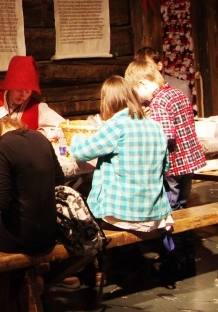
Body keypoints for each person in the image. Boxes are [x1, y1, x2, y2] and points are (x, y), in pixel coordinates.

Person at [127, 59, 205, 278]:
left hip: (173, 165)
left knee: (170, 213)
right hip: (189, 162)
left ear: (143, 83)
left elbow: (166, 137)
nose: (139, 98)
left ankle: (174, 260)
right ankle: (188, 257)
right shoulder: (176, 93)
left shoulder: (159, 101)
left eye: (136, 92)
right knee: (182, 209)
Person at [71, 77, 171, 233]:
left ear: (108, 101)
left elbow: (80, 153)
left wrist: (76, 137)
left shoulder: (116, 125)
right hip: (155, 213)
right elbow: (165, 167)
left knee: (77, 221)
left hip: (123, 215)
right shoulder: (156, 126)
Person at [0, 84, 60, 256]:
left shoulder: (2, 147)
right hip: (49, 234)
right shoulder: (40, 137)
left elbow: (2, 204)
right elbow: (59, 181)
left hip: (20, 239)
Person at [0, 56, 66, 144]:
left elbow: (65, 128)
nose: (23, 95)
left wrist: (44, 133)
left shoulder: (38, 108)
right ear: (10, 86)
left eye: (28, 91)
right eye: (19, 90)